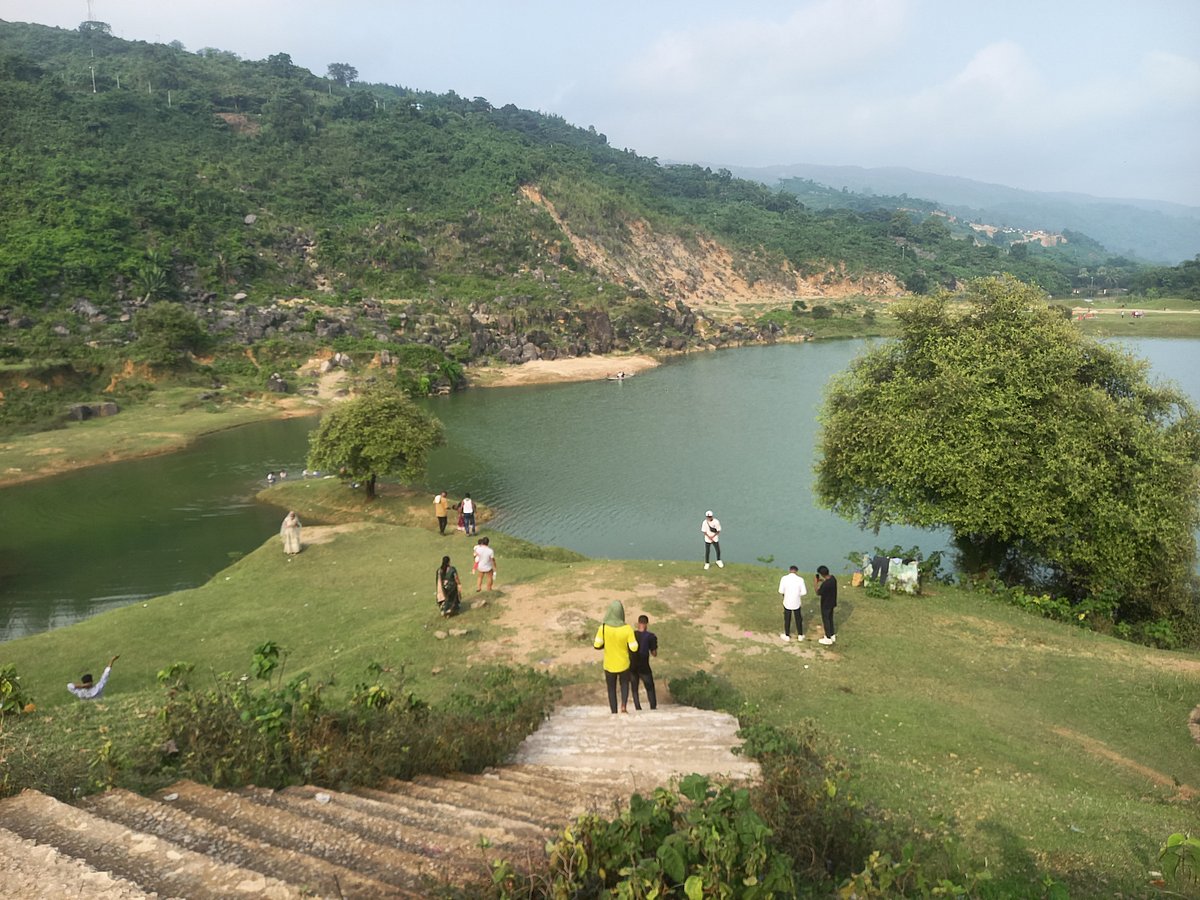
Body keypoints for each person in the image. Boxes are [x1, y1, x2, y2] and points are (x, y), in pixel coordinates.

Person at [593, 601, 639, 714]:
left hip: (609, 664)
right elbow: (634, 648)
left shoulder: (603, 628)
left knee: (611, 688)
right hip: (624, 663)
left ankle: (614, 711)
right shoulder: (627, 629)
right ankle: (623, 706)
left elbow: (597, 645)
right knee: (624, 684)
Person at [630, 614, 658, 710]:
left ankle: (637, 708)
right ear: (646, 624)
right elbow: (654, 653)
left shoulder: (632, 635)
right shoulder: (651, 636)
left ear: (638, 623)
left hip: (632, 665)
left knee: (634, 688)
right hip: (644, 665)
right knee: (650, 687)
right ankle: (653, 707)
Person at [778, 564, 807, 641]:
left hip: (787, 601)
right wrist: (797, 594)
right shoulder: (800, 580)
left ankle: (787, 635)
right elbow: (804, 592)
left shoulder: (784, 578)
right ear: (796, 571)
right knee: (798, 618)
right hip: (797, 602)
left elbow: (781, 591)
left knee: (787, 618)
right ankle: (800, 635)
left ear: (789, 570)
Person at [816, 565, 838, 645]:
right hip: (832, 603)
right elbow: (827, 583)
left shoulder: (825, 585)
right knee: (830, 619)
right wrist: (822, 581)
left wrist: (816, 583)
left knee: (826, 620)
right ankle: (832, 635)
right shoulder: (833, 579)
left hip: (825, 604)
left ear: (822, 574)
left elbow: (818, 592)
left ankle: (827, 638)